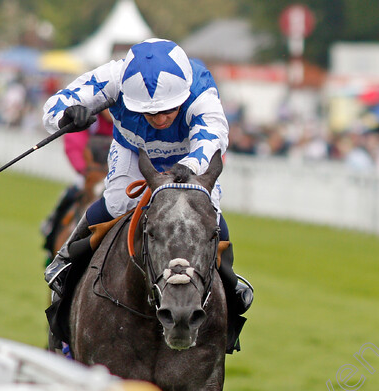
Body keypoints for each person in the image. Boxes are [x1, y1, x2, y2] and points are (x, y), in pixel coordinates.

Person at [42, 38, 253, 353]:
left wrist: (186, 168)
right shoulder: (115, 76)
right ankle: (68, 261)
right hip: (133, 153)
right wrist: (67, 115)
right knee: (115, 203)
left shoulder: (201, 87)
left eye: (167, 110)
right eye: (148, 111)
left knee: (205, 214)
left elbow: (212, 136)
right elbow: (59, 102)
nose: (159, 118)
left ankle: (229, 285)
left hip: (189, 159)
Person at [40, 111, 113, 263]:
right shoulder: (90, 117)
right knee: (69, 196)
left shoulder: (126, 117)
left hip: (116, 177)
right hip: (89, 174)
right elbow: (74, 143)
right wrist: (84, 170)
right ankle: (51, 236)